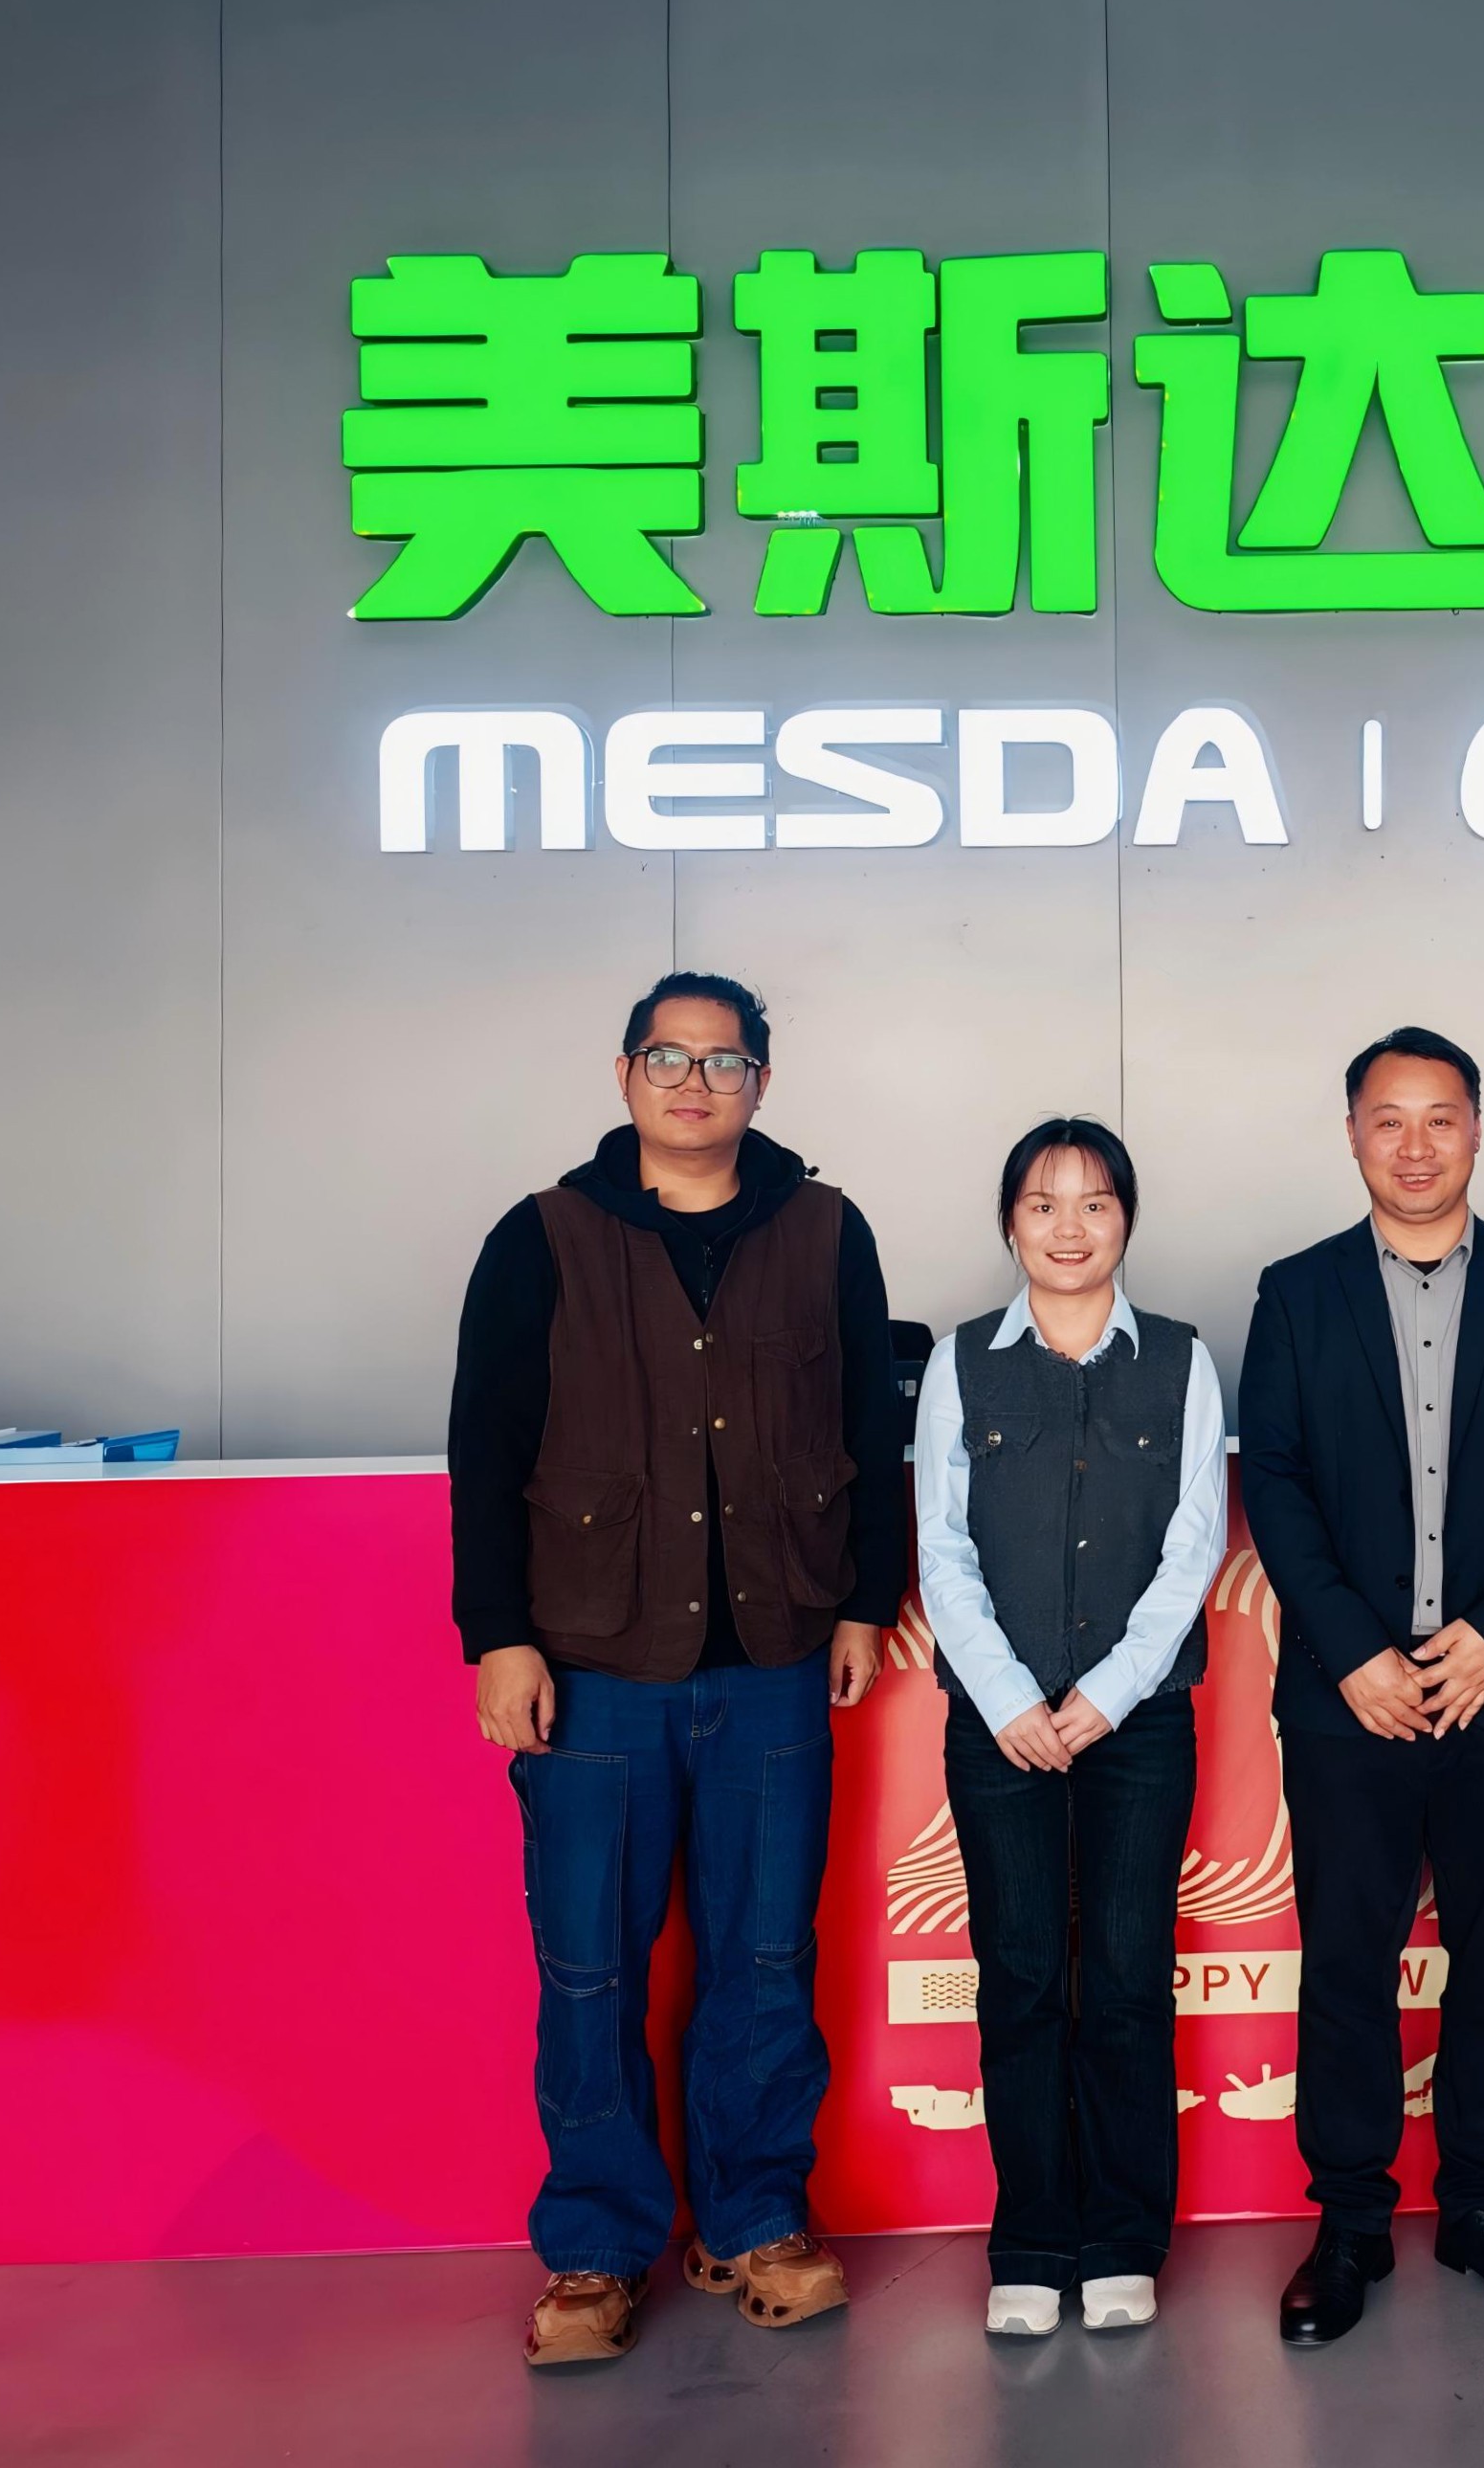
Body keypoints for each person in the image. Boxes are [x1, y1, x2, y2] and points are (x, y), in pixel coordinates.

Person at [450, 970, 903, 2368]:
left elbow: (869, 1430)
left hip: (774, 1660)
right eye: (668, 1056)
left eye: (721, 1060)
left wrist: (864, 1603)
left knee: (764, 1956)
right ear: (624, 1074)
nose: (694, 1082)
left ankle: (754, 2219)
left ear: (762, 1080)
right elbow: (484, 1444)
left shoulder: (824, 1229)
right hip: (593, 1667)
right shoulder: (542, 1237)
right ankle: (594, 2248)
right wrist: (497, 1634)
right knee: (588, 1967)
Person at [1239, 1029, 1484, 2347]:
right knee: (1346, 1960)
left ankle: (1483, 2209)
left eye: (1439, 1118)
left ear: (1476, 1130)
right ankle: (1348, 2220)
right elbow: (1274, 1478)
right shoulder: (1296, 1293)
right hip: (1350, 1695)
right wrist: (1351, 1651)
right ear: (1352, 1134)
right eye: (1387, 1119)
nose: (1414, 1144)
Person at [911, 1118, 1226, 2341]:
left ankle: (1123, 2237)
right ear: (1010, 1222)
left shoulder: (1182, 1359)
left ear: (1125, 1219)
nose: (1069, 1226)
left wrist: (1108, 1692)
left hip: (1136, 1725)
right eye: (1042, 1203)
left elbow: (1194, 1542)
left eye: (1094, 1202)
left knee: (1129, 1979)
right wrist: (1006, 1697)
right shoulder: (960, 1363)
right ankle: (1034, 2241)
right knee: (1025, 1975)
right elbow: (942, 1546)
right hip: (999, 1728)